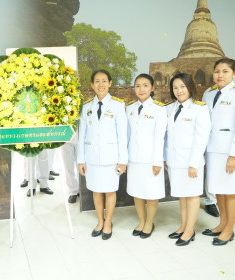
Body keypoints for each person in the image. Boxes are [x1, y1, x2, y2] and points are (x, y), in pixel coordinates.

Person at [77, 69, 127, 240]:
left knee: (110, 191)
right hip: (91, 159)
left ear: (110, 83)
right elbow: (82, 135)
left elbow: (123, 135)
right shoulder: (86, 107)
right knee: (96, 191)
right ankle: (100, 221)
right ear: (92, 85)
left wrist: (123, 161)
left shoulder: (118, 106)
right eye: (97, 81)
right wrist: (80, 160)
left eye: (104, 81)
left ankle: (108, 223)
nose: (101, 85)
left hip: (111, 159)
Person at [165, 73, 211, 246]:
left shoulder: (200, 109)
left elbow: (201, 138)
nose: (179, 91)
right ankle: (183, 225)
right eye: (175, 87)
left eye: (182, 87)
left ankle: (190, 230)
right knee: (182, 195)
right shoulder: (169, 109)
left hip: (191, 162)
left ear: (190, 87)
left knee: (192, 195)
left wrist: (194, 163)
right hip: (174, 161)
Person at [126, 74, 167, 238]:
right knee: (137, 191)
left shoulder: (159, 109)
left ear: (152, 88)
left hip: (151, 159)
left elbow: (160, 137)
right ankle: (141, 221)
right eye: (137, 86)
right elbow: (128, 135)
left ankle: (149, 222)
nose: (141, 89)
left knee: (151, 193)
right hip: (134, 159)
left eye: (145, 85)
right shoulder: (129, 108)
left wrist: (157, 161)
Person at [202, 58, 235, 245]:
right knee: (219, 190)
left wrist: (233, 154)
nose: (220, 75)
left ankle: (229, 230)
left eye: (225, 71)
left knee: (230, 191)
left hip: (228, 151)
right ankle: (222, 224)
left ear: (233, 74)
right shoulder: (208, 93)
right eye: (217, 71)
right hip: (212, 150)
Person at [61, 131, 79, 203]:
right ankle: (73, 191)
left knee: (82, 165)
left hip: (81, 136)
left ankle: (83, 189)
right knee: (68, 166)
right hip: (66, 136)